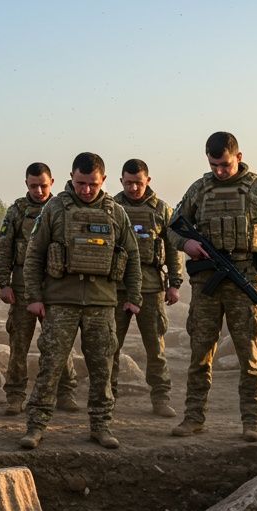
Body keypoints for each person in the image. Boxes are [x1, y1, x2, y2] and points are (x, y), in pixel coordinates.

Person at [19, 152, 141, 450]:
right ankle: (36, 426)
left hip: (102, 303)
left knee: (102, 368)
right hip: (61, 302)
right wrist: (34, 297)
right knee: (51, 365)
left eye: (92, 184)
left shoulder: (116, 213)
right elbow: (34, 254)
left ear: (104, 180)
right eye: (80, 183)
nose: (86, 190)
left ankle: (101, 426)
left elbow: (132, 256)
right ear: (71, 178)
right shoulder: (54, 209)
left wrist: (134, 296)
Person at [170, 131, 257, 442]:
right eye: (214, 165)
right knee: (200, 354)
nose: (219, 171)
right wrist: (186, 244)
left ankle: (252, 420)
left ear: (239, 156)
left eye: (225, 164)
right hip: (206, 282)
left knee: (249, 356)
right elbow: (172, 227)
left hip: (245, 278)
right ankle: (193, 417)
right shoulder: (199, 189)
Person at [0, 162, 79, 415]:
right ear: (26, 184)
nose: (39, 191)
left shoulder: (63, 209)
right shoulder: (17, 211)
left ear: (52, 182)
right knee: (19, 344)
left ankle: (65, 392)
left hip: (55, 287)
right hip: (22, 287)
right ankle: (15, 395)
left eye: (43, 185)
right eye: (33, 186)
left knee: (60, 344)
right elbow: (4, 248)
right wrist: (4, 283)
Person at [112, 159, 182, 417]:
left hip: (151, 287)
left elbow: (173, 248)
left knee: (156, 348)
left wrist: (174, 283)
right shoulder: (111, 207)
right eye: (128, 183)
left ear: (148, 181)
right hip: (118, 288)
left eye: (138, 183)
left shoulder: (162, 210)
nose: (133, 188)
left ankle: (161, 398)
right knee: (110, 346)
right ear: (121, 181)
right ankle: (107, 396)